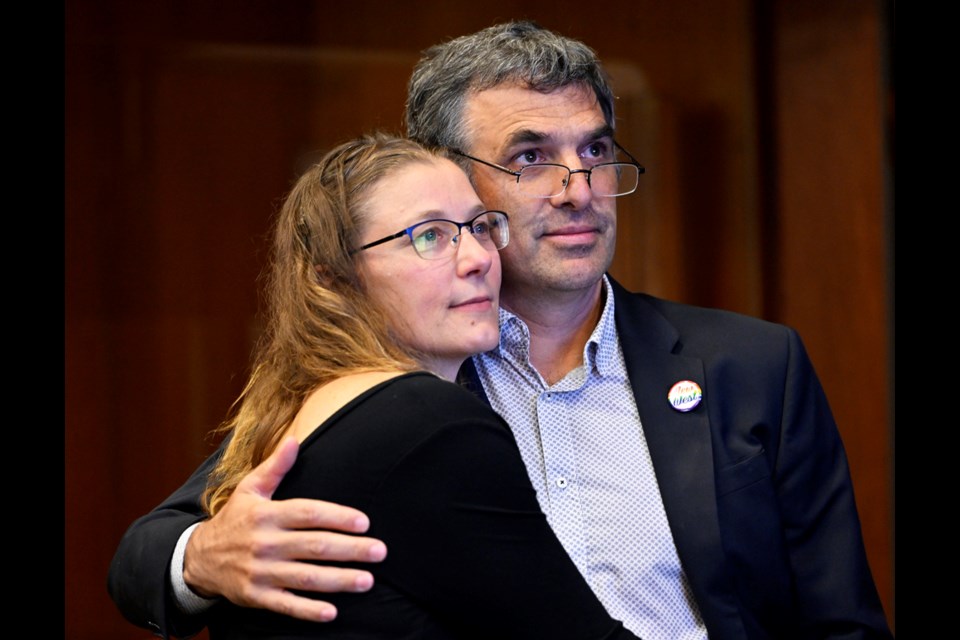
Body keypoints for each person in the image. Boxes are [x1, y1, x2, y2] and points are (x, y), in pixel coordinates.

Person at [109, 21, 893, 640]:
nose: (577, 188)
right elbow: (152, 549)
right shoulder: (401, 385)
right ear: (447, 172)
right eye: (530, 156)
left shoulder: (753, 364)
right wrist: (201, 559)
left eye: (593, 151)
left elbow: (841, 623)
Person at [154, 131, 643, 639]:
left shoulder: (311, 411)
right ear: (335, 281)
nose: (476, 257)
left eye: (478, 227)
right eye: (429, 236)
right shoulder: (424, 423)